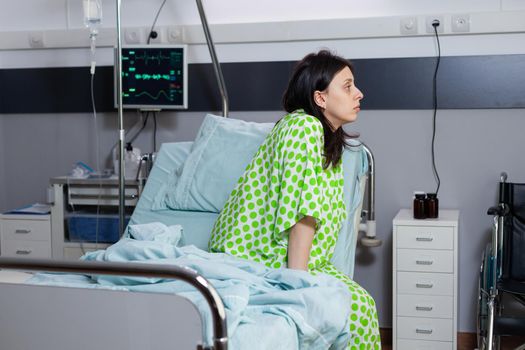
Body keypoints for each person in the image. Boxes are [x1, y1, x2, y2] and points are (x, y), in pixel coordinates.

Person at [209, 50, 381, 348]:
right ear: (320, 98)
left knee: (360, 306)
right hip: (259, 260)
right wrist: (299, 289)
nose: (359, 93)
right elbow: (303, 213)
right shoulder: (304, 128)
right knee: (358, 309)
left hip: (288, 262)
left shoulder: (328, 144)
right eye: (348, 86)